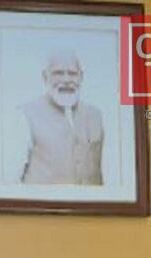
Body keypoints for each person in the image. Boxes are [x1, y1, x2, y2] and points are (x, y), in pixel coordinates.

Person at [12, 49, 104, 185]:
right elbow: (12, 181)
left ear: (81, 77)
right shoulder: (24, 115)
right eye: (58, 73)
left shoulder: (96, 115)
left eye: (72, 73)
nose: (66, 80)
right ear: (45, 77)